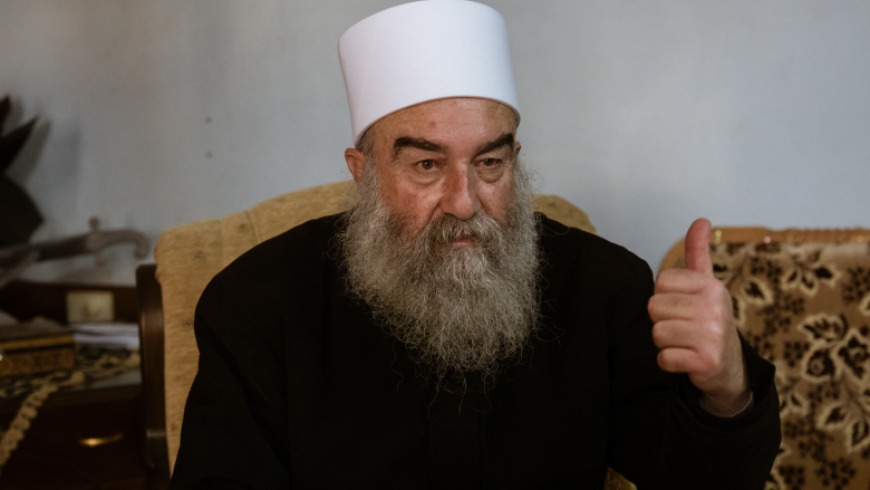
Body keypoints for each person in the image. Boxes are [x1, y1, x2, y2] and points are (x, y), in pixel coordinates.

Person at [170, 1, 781, 488]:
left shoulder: (601, 285)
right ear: (363, 172)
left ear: (516, 159)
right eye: (427, 166)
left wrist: (727, 390)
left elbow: (699, 479)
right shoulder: (258, 302)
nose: (464, 202)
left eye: (489, 163)